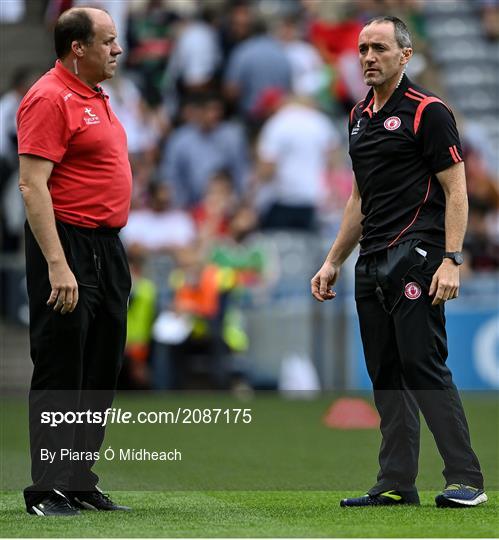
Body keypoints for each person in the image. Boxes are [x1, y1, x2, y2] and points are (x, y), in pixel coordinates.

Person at [311, 16, 487, 508]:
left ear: (405, 56)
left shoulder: (428, 111)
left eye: (379, 48)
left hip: (418, 254)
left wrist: (452, 259)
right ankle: (396, 481)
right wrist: (332, 261)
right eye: (363, 48)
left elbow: (457, 190)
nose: (368, 56)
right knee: (385, 372)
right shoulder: (357, 117)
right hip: (370, 261)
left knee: (423, 365)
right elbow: (358, 200)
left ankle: (465, 479)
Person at [17, 7, 132, 515]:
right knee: (62, 365)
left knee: (101, 368)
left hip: (107, 247)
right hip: (67, 244)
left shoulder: (94, 96)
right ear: (77, 47)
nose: (118, 50)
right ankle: (47, 488)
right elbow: (31, 184)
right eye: (108, 41)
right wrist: (58, 265)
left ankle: (79, 480)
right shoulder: (48, 96)